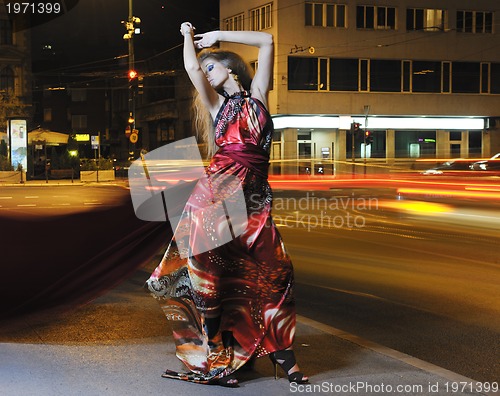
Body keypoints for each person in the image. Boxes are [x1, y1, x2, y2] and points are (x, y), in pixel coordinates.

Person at [144, 22, 308, 387]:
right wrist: (187, 37)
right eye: (204, 71)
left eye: (212, 67)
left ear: (231, 68)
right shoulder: (216, 105)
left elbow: (266, 40)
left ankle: (284, 355)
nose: (205, 74)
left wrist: (218, 38)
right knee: (210, 281)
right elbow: (190, 68)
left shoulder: (259, 97)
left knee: (277, 273)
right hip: (214, 200)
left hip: (254, 204)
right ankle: (217, 358)